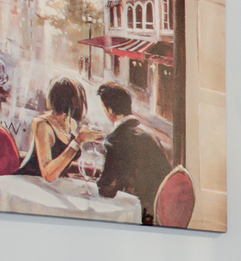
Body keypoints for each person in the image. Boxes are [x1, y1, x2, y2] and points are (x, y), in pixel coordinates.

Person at [96, 81, 171, 225]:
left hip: (138, 214)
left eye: (104, 108)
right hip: (160, 210)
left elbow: (106, 189)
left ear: (111, 111)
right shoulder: (146, 132)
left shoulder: (115, 138)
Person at [19, 76, 90, 182]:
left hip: (54, 183)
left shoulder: (71, 124)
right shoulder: (42, 124)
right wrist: (78, 141)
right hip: (31, 181)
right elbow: (48, 174)